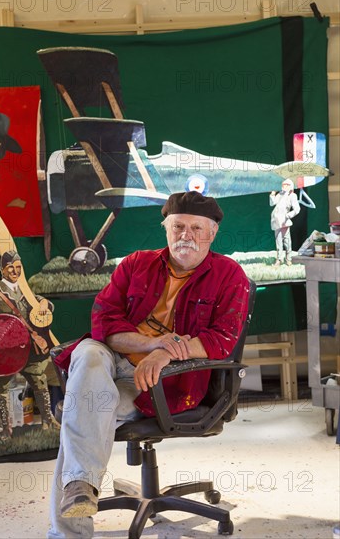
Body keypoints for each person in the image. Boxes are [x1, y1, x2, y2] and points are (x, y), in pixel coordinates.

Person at [46, 191, 250, 539]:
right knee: (88, 352)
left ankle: (69, 529)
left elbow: (223, 340)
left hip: (164, 384)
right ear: (165, 229)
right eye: (178, 226)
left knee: (82, 408)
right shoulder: (135, 263)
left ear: (212, 233)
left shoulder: (229, 275)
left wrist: (167, 353)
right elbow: (104, 324)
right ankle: (80, 486)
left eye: (197, 228)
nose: (187, 235)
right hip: (112, 362)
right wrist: (154, 342)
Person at [0, 250, 60, 438]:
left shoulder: (24, 289)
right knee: (2, 389)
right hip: (4, 351)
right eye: (10, 268)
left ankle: (48, 421)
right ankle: (6, 430)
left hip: (26, 346)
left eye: (18, 267)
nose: (15, 271)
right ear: (2, 270)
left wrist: (44, 303)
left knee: (39, 381)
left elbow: (35, 302)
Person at [269, 178, 300, 266]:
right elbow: (272, 203)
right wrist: (272, 194)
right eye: (283, 184)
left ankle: (288, 258)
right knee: (278, 241)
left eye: (286, 184)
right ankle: (279, 259)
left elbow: (297, 209)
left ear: (290, 186)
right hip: (276, 219)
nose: (284, 186)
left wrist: (288, 215)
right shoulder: (280, 194)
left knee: (287, 240)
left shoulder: (292, 196)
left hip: (285, 220)